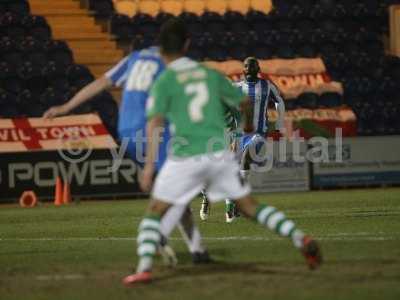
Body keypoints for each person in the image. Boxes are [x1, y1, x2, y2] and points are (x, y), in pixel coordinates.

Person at [123, 17, 322, 286]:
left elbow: (154, 123)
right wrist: (250, 124)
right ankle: (302, 239)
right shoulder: (210, 74)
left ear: (161, 51)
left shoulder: (164, 81)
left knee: (155, 211)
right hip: (219, 153)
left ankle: (145, 268)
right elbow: (243, 103)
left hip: (185, 154)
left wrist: (148, 167)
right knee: (252, 207)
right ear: (187, 44)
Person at [43, 46, 210, 264]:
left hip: (127, 131)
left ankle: (198, 251)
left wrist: (66, 107)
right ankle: (158, 233)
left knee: (173, 192)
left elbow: (101, 83)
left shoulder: (135, 57)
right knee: (180, 189)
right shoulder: (171, 63)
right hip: (153, 128)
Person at [200, 57, 286, 223]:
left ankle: (233, 203)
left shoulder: (267, 85)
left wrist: (279, 124)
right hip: (237, 134)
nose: (250, 67)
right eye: (247, 65)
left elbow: (279, 102)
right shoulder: (236, 87)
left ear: (258, 68)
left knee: (246, 159)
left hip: (258, 132)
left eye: (253, 65)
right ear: (243, 69)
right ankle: (207, 195)